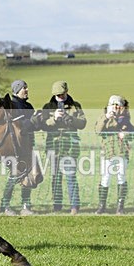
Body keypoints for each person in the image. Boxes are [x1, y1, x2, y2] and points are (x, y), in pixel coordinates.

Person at [39, 80, 86, 214]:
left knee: (71, 176)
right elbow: (42, 125)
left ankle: (74, 206)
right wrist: (54, 119)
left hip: (70, 147)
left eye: (62, 94)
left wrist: (70, 119)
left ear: (66, 92)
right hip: (53, 147)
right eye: (57, 95)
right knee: (56, 177)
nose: (60, 97)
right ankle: (57, 206)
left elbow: (82, 123)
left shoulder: (75, 106)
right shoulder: (47, 107)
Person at [95, 94, 134, 214]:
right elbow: (98, 131)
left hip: (122, 153)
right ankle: (101, 206)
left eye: (118, 105)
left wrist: (126, 134)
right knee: (105, 178)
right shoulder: (103, 117)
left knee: (121, 178)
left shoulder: (126, 119)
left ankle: (120, 206)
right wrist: (106, 117)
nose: (115, 108)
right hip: (107, 152)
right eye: (113, 105)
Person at [0, 80, 37, 216]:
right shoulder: (12, 106)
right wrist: (32, 122)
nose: (26, 90)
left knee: (28, 176)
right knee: (14, 175)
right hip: (15, 148)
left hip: (28, 146)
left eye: (27, 88)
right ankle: (5, 205)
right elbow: (18, 127)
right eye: (24, 88)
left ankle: (25, 205)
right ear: (17, 90)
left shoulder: (28, 106)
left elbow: (33, 126)